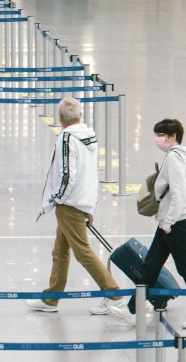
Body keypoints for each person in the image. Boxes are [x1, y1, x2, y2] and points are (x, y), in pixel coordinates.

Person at [108, 119, 186, 330]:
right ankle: (133, 310)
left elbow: (180, 192)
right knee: (151, 266)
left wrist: (169, 222)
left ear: (173, 136)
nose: (158, 139)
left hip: (173, 222)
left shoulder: (175, 158)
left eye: (161, 135)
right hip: (176, 219)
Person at [27, 98, 124, 313]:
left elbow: (67, 174)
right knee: (60, 251)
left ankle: (114, 293)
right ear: (79, 116)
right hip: (83, 200)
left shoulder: (66, 138)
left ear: (61, 118)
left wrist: (58, 198)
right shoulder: (89, 136)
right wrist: (90, 207)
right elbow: (89, 173)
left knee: (83, 252)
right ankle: (51, 298)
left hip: (69, 204)